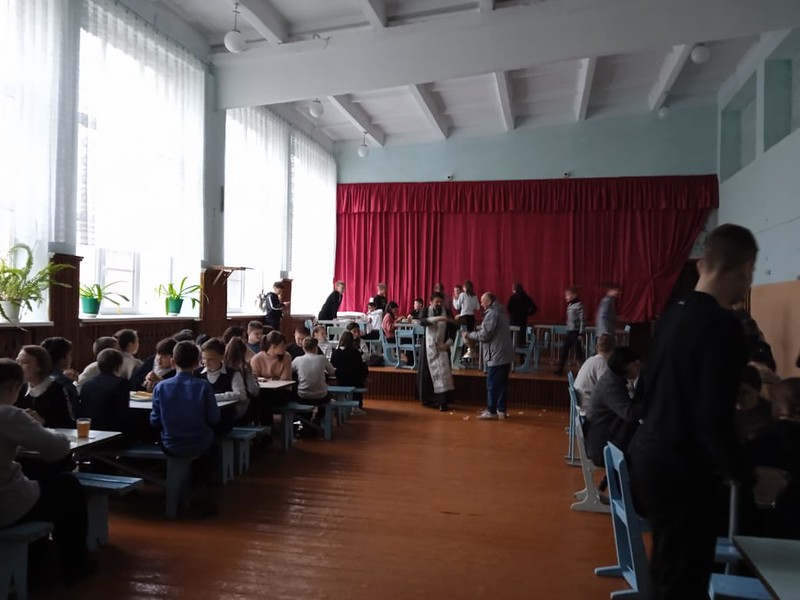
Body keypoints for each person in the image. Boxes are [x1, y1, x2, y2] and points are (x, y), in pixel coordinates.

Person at [627, 223, 758, 599]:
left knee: (667, 574)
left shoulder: (672, 314)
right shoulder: (724, 326)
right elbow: (712, 421)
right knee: (683, 583)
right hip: (683, 470)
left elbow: (651, 390)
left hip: (649, 459)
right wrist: (747, 476)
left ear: (703, 264)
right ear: (746, 269)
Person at [0, 358, 94, 583]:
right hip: (5, 507)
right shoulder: (8, 415)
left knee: (38, 481)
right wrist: (37, 425)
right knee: (69, 487)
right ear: (13, 387)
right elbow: (58, 448)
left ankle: (36, 560)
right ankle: (74, 564)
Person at [150, 341, 221, 513]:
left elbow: (154, 421)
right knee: (215, 441)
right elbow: (214, 418)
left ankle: (177, 499)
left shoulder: (160, 387)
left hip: (170, 442)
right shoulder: (203, 386)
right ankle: (203, 488)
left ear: (173, 361)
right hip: (199, 442)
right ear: (197, 363)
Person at [584, 346, 641, 467]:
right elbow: (630, 414)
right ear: (624, 366)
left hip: (604, 440)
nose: (638, 368)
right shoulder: (610, 385)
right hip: (603, 449)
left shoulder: (611, 379)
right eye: (635, 365)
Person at [466, 293, 515, 420]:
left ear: (488, 302)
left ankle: (491, 411)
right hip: (505, 353)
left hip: (496, 353)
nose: (481, 304)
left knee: (492, 384)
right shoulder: (501, 313)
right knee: (502, 384)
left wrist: (469, 335)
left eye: (482, 302)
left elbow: (485, 335)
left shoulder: (492, 314)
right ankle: (501, 410)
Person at [15, 345, 75, 428]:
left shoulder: (59, 389)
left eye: (24, 362)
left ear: (40, 366)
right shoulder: (19, 388)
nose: (18, 366)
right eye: (17, 362)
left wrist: (43, 421)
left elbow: (70, 425)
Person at [196, 338, 249, 431]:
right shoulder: (197, 374)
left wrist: (214, 397)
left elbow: (241, 395)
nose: (206, 362)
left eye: (210, 359)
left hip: (223, 417)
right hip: (201, 416)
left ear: (221, 357)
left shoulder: (232, 374)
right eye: (204, 358)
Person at [78, 348, 131, 435]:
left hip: (90, 430)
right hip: (112, 432)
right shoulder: (121, 383)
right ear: (119, 366)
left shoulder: (87, 385)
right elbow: (123, 413)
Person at [417, 292, 456, 411]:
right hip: (428, 347)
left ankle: (443, 402)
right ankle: (428, 399)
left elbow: (453, 329)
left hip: (442, 346)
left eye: (440, 302)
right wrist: (438, 318)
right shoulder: (425, 310)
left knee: (443, 374)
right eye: (436, 302)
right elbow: (421, 321)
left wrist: (447, 344)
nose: (439, 304)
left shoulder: (447, 313)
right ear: (430, 302)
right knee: (427, 374)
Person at [292, 337, 335, 432]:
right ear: (316, 347)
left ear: (303, 348)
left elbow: (289, 370)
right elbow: (332, 372)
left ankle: (305, 422)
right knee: (329, 396)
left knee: (296, 396)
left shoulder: (298, 360)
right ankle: (319, 417)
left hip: (303, 396)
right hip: (321, 396)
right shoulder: (322, 359)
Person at [573, 333, 616, 412]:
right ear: (613, 351)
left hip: (582, 403)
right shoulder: (603, 364)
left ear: (597, 347)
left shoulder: (590, 359)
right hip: (589, 409)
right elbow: (606, 389)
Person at [40, 336, 80, 418]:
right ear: (62, 359)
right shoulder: (64, 383)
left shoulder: (38, 377)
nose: (71, 359)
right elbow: (74, 413)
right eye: (69, 355)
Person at [331, 331, 369, 414]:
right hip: (354, 379)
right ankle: (357, 407)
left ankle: (341, 406)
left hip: (341, 379)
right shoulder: (355, 352)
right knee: (360, 379)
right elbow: (360, 365)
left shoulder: (335, 352)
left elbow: (332, 364)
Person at [556, 287, 585, 376]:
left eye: (568, 295)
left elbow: (582, 320)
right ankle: (560, 369)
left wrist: (581, 333)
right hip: (570, 331)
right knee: (564, 350)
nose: (566, 297)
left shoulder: (579, 305)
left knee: (578, 352)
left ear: (574, 295)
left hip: (576, 332)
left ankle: (584, 371)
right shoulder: (570, 305)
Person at [454, 280, 480, 361]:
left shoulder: (462, 295)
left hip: (464, 317)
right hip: (472, 317)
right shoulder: (474, 296)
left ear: (465, 287)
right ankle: (471, 352)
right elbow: (478, 307)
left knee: (465, 335)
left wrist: (455, 299)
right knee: (470, 335)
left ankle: (468, 353)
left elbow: (457, 306)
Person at [507, 283, 538, 348]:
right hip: (523, 321)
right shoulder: (527, 298)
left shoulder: (512, 298)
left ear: (514, 289)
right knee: (521, 339)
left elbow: (508, 308)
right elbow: (534, 308)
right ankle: (521, 353)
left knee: (512, 338)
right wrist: (527, 314)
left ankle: (512, 352)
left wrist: (513, 313)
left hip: (513, 321)